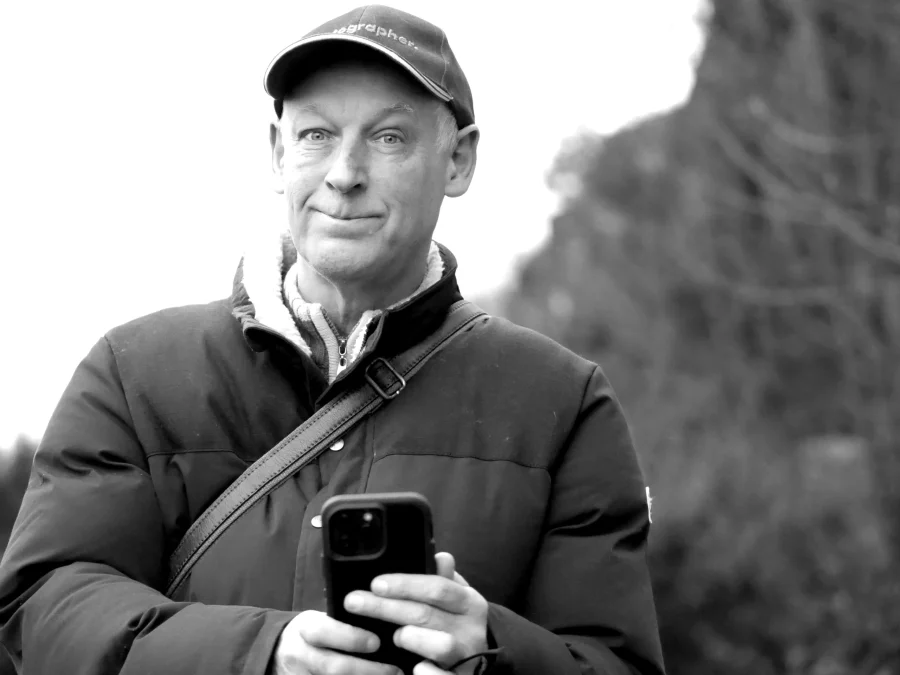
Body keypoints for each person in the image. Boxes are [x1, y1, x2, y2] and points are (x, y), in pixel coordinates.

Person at [0, 5, 665, 674]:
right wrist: (262, 656)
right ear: (278, 152)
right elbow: (45, 607)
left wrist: (491, 650)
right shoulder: (131, 373)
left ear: (459, 160)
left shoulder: (563, 404)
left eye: (389, 138)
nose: (344, 173)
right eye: (316, 134)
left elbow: (615, 662)